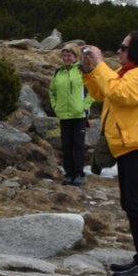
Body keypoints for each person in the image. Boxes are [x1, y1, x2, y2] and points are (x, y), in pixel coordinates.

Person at [81, 31, 138, 276]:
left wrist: (100, 63)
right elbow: (103, 93)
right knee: (130, 203)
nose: (118, 51)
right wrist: (89, 71)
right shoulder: (128, 73)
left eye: (124, 47)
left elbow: (121, 94)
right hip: (130, 146)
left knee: (135, 204)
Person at [49, 44, 94, 186]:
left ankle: (79, 174)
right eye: (64, 55)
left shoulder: (82, 71)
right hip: (64, 115)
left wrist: (83, 106)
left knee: (79, 145)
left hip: (79, 115)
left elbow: (93, 90)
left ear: (76, 57)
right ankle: (68, 174)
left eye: (69, 55)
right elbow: (52, 91)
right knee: (66, 145)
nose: (66, 58)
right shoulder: (58, 73)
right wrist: (56, 107)